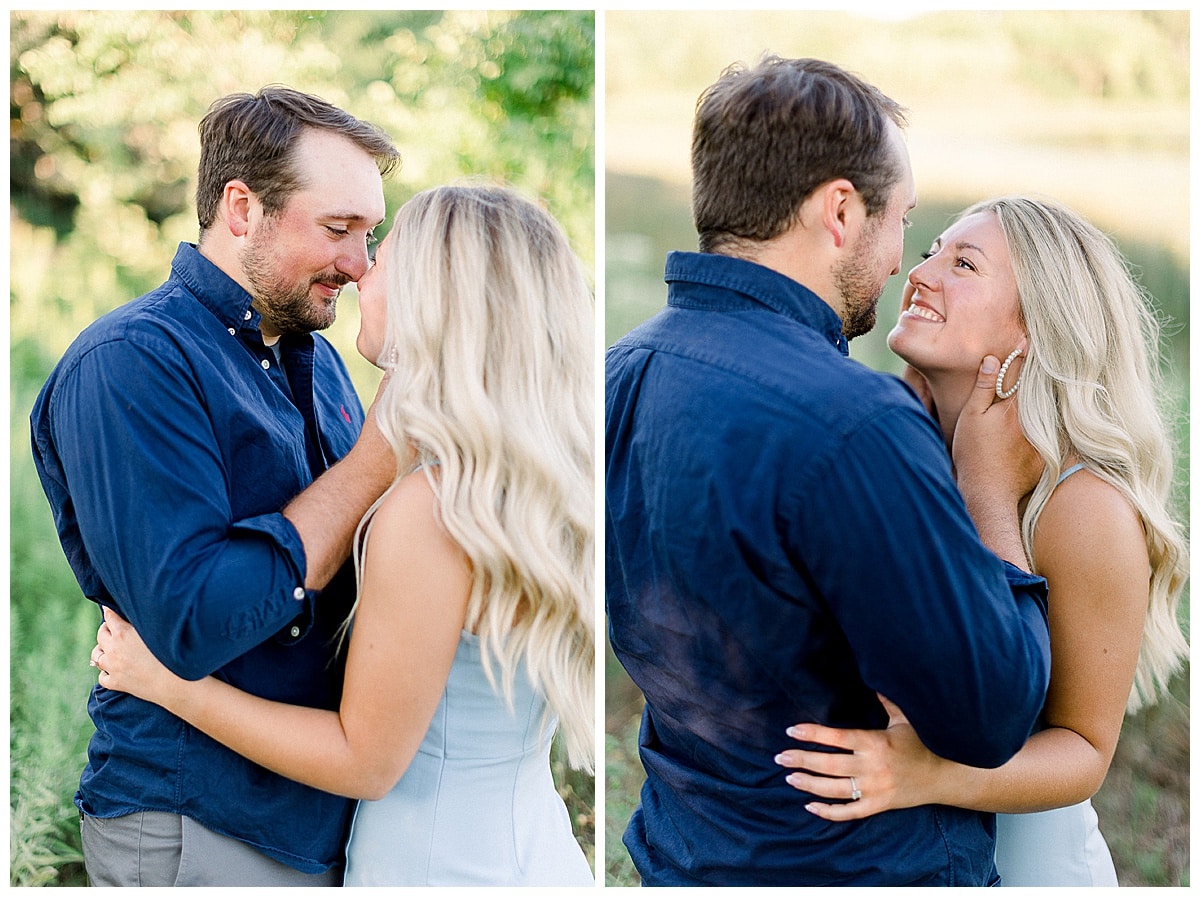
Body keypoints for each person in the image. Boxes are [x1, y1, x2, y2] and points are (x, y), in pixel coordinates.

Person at [605, 55, 1052, 886]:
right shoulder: (855, 421)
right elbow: (992, 714)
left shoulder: (617, 374)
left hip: (683, 853)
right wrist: (988, 494)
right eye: (901, 224)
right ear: (840, 210)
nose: (899, 264)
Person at [92, 184, 597, 886]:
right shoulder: (539, 483)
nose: (360, 271)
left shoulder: (431, 512)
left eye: (382, 258)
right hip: (527, 850)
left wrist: (172, 684)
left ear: (436, 297)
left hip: (431, 866)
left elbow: (366, 759)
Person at [31, 86, 401, 885]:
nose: (360, 263)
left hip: (317, 816)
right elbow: (192, 620)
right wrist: (376, 460)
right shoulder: (132, 363)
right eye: (337, 229)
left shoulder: (322, 359)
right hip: (193, 821)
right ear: (241, 208)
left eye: (369, 235)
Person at [775, 195, 1189, 886]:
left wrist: (925, 772)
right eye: (932, 248)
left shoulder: (1084, 505)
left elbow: (1084, 750)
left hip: (1025, 866)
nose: (920, 271)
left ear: (1036, 328)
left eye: (962, 263)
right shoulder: (892, 446)